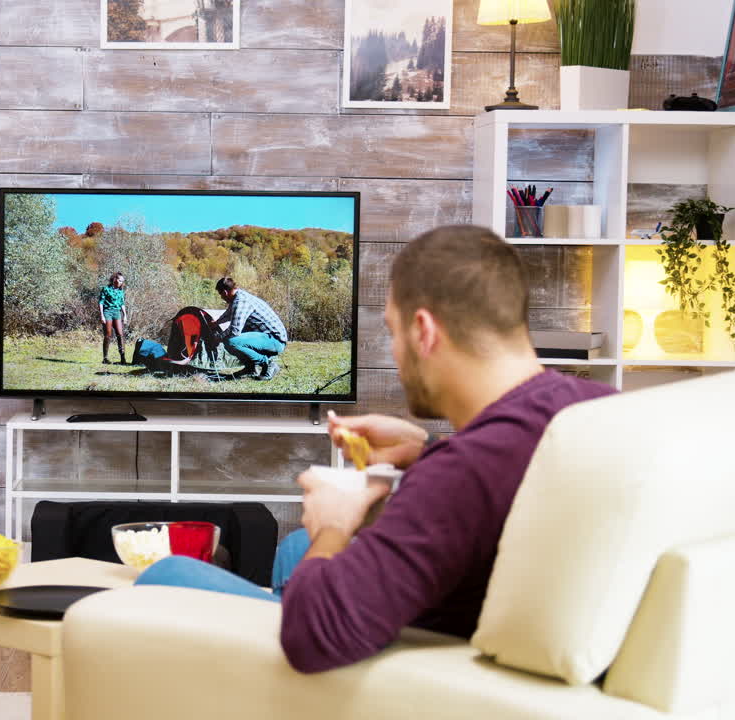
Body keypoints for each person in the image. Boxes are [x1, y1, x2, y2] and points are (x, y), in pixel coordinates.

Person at [138, 226, 616, 672]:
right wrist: (422, 448)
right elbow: (506, 475)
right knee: (294, 548)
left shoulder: (460, 473)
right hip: (468, 598)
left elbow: (312, 638)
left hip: (396, 660)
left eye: (392, 331)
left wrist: (333, 523)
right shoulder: (596, 408)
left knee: (170, 573)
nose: (393, 352)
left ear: (424, 331)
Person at [213, 277, 288, 381]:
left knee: (231, 341)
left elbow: (234, 331)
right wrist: (216, 322)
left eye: (220, 295)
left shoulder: (241, 301)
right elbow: (229, 314)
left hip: (275, 340)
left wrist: (218, 338)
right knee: (236, 336)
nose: (221, 298)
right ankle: (250, 369)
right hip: (269, 338)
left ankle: (268, 363)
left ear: (225, 292)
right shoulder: (238, 297)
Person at [99, 271, 129, 364]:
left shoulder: (121, 292)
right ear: (114, 279)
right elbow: (101, 302)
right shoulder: (105, 289)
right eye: (119, 280)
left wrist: (125, 315)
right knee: (108, 335)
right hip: (107, 312)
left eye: (122, 281)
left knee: (120, 334)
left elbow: (122, 304)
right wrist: (102, 315)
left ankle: (123, 358)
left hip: (117, 313)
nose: (120, 282)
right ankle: (105, 358)